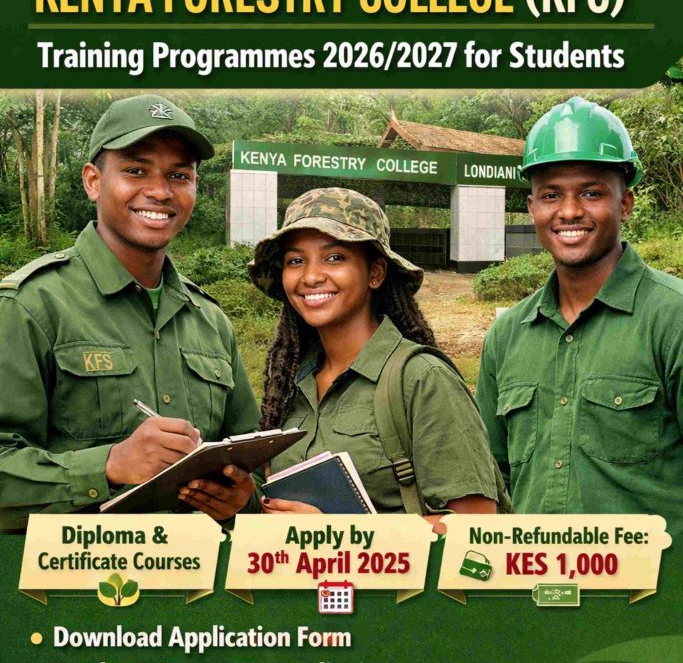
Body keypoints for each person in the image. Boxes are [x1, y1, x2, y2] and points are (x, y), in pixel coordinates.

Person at [0, 94, 259, 531]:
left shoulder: (211, 322)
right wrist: (108, 466)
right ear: (93, 181)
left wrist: (242, 499)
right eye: (136, 171)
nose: (160, 191)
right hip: (73, 588)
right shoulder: (29, 306)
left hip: (200, 587)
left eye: (179, 175)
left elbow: (251, 460)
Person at [476, 96, 683, 533]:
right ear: (532, 208)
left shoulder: (672, 317)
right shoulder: (508, 334)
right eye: (551, 195)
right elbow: (493, 482)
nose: (569, 211)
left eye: (591, 192)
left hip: (653, 595)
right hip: (534, 590)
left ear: (624, 204)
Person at [247, 186, 505, 526]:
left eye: (334, 257)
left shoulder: (421, 378)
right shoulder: (289, 386)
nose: (310, 276)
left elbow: (475, 526)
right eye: (296, 261)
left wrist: (334, 533)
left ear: (375, 273)